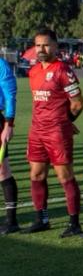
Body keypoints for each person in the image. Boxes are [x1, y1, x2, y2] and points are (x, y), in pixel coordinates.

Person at [22, 29, 83, 237]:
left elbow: (77, 104)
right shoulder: (33, 71)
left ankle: (74, 223)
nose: (41, 49)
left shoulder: (63, 70)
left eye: (46, 45)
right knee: (36, 174)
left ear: (56, 46)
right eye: (38, 45)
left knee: (64, 176)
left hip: (57, 132)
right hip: (37, 130)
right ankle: (42, 219)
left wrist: (65, 123)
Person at [0, 57, 17, 235]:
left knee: (3, 171)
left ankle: (11, 221)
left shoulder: (1, 65)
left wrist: (8, 124)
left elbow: (10, 94)